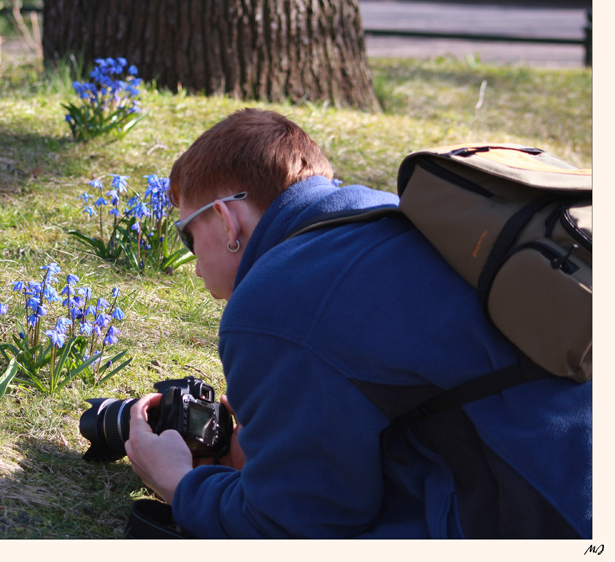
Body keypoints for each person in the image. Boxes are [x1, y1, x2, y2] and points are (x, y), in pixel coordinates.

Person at [123, 108, 591, 538]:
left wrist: (179, 482)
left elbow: (291, 527)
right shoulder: (382, 213)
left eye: (188, 234)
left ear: (226, 221)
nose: (193, 261)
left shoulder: (274, 301)